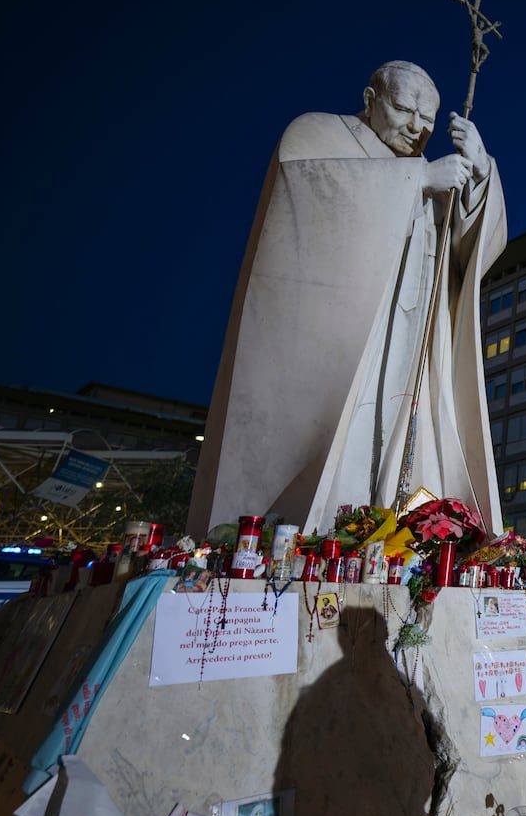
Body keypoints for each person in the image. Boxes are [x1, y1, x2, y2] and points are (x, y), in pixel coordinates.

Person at [188, 61, 507, 540]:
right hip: (345, 341)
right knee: (347, 448)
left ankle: (397, 533)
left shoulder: (427, 170)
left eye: (428, 118)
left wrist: (479, 173)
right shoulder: (317, 135)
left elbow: (464, 257)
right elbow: (303, 197)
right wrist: (414, 182)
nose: (418, 127)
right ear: (370, 98)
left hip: (410, 338)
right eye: (404, 109)